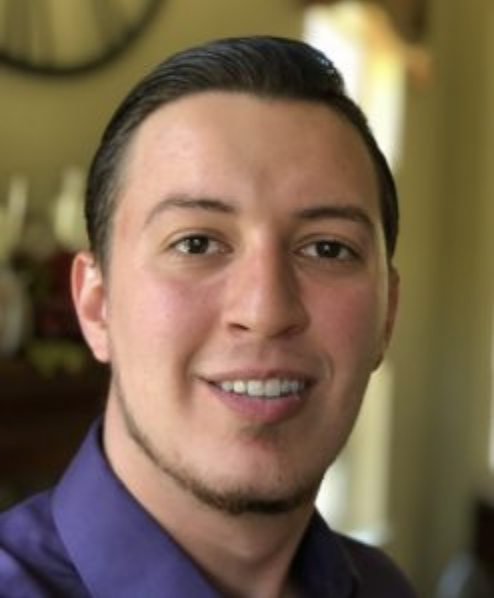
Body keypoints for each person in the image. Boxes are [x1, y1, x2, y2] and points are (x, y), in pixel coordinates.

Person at [0, 36, 416, 597]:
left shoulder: (386, 586)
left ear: (387, 317)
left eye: (327, 248)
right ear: (96, 307)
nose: (266, 310)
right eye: (195, 243)